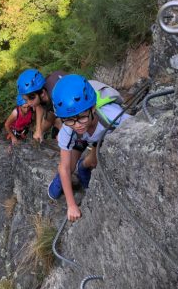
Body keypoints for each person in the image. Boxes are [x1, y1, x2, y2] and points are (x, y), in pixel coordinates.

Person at [48, 74, 130, 222]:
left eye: (82, 117)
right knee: (66, 171)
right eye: (69, 120)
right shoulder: (69, 128)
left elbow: (135, 130)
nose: (77, 124)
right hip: (82, 138)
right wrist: (71, 205)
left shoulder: (112, 115)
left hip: (103, 135)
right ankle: (62, 180)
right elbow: (65, 167)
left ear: (93, 108)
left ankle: (84, 167)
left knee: (93, 162)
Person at [16, 69, 66, 142]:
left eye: (31, 99)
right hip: (54, 103)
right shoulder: (40, 89)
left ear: (42, 93)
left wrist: (63, 131)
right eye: (26, 100)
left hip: (71, 105)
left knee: (62, 137)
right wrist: (38, 130)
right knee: (46, 122)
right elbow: (38, 106)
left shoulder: (57, 97)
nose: (29, 103)